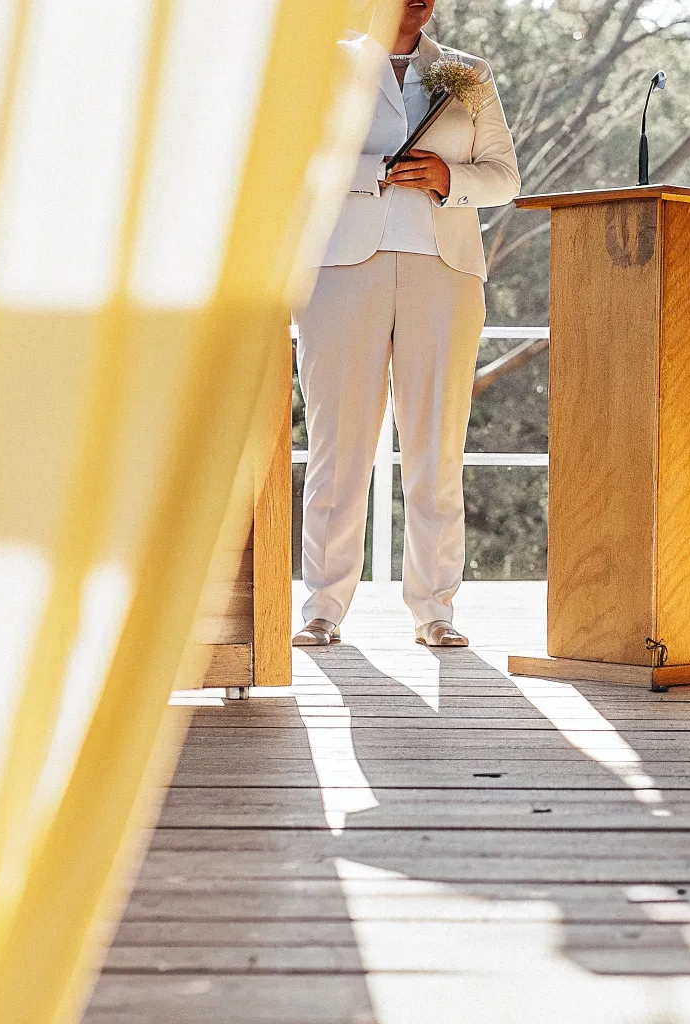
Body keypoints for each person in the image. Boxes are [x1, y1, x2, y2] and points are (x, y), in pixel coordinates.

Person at [292, 0, 519, 648]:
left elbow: (505, 176)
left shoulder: (466, 73)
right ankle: (323, 608)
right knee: (339, 446)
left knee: (436, 444)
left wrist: (450, 178)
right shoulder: (325, 66)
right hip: (339, 270)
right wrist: (373, 173)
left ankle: (434, 609)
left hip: (443, 272)